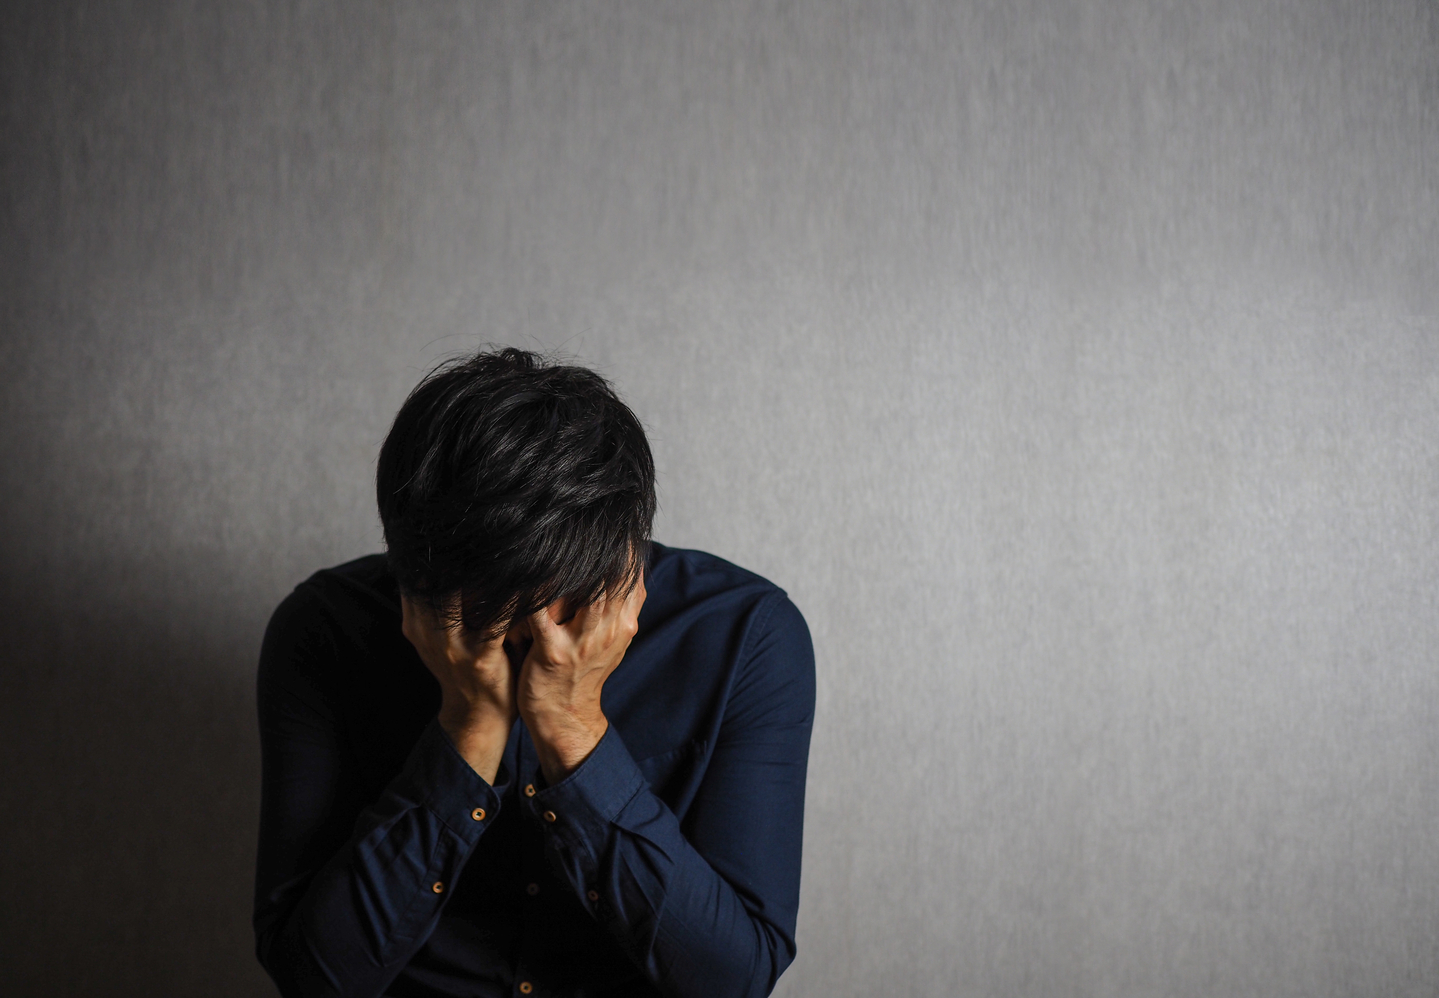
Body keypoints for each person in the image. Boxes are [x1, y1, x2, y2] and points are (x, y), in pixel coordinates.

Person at [253, 348, 816, 998]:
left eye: (559, 598)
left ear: (624, 544)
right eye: (486, 611)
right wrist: (469, 728)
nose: (532, 636)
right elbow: (313, 978)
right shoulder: (323, 630)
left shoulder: (744, 636)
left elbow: (732, 980)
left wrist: (573, 733)